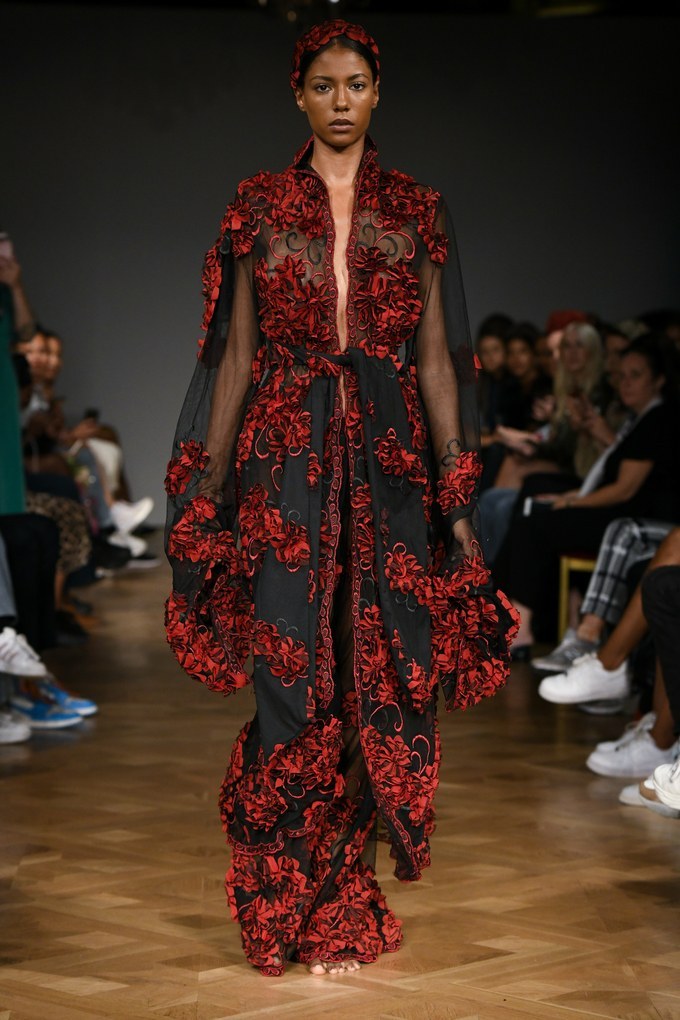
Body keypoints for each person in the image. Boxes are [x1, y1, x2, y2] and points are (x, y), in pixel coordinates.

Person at [164, 19, 517, 978]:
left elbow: (437, 360)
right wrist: (206, 488)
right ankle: (285, 897)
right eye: (323, 85)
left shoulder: (418, 208)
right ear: (299, 94)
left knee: (376, 674)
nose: (341, 101)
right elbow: (236, 354)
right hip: (285, 458)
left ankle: (340, 896)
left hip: (390, 465)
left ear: (377, 90)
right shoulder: (259, 203)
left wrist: (456, 498)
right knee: (291, 672)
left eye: (356, 83)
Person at [492, 333, 680, 655]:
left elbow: (624, 490)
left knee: (534, 524)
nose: (625, 383)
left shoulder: (657, 420)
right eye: (621, 375)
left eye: (635, 376)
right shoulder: (640, 419)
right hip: (620, 509)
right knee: (533, 506)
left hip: (632, 518)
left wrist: (572, 501)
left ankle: (521, 623)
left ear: (658, 380)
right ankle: (509, 610)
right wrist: (572, 496)